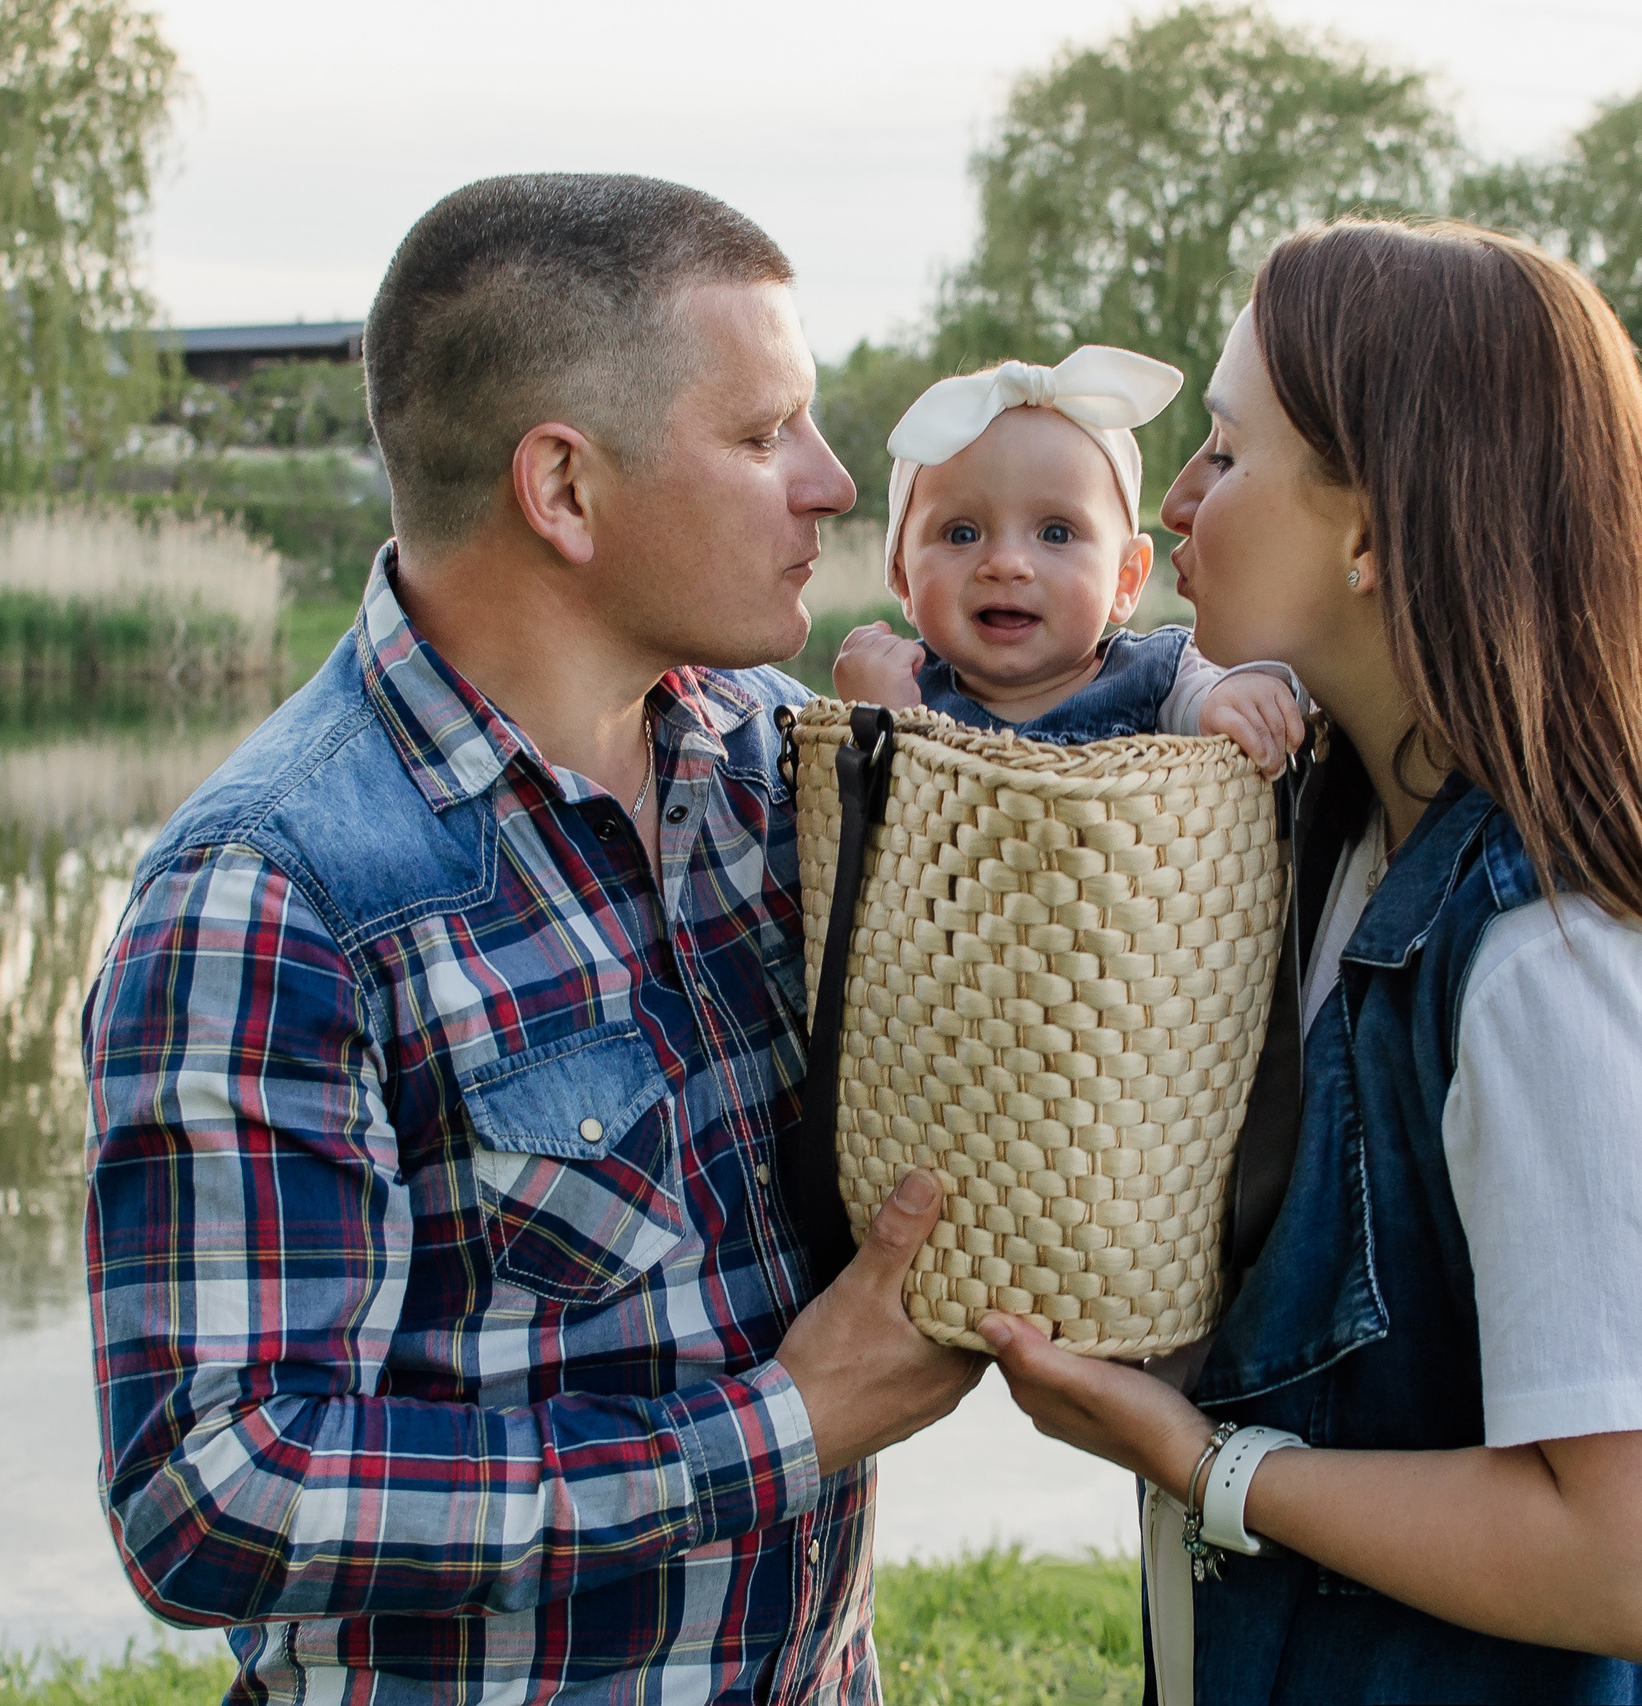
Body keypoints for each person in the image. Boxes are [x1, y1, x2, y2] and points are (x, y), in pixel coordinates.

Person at [80, 173, 982, 1701]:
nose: (830, 482)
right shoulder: (272, 891)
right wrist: (776, 1429)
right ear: (562, 489)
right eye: (764, 435)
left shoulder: (780, 759)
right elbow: (212, 1492)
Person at [980, 218, 1642, 1704]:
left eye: (1227, 453)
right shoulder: (1339, 830)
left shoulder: (1557, 957)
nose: (1177, 500)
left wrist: (1202, 1460)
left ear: (1372, 526)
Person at [831, 348, 1305, 772]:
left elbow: (1200, 702)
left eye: (1056, 533)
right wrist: (874, 716)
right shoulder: (909, 690)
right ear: (903, 579)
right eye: (962, 533)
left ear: (1126, 580)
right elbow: (861, 837)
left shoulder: (1157, 676)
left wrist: (1226, 701)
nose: (1007, 563)